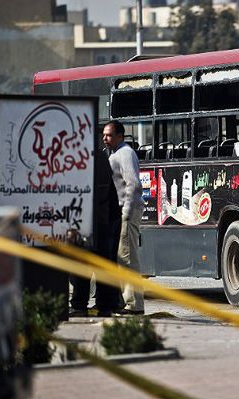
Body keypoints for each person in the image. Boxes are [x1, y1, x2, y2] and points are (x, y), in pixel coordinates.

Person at [69, 149, 123, 317]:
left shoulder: (82, 155)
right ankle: (103, 305)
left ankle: (81, 305)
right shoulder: (98, 156)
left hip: (89, 219)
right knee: (100, 264)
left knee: (83, 264)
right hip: (101, 219)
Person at [103, 120, 145, 315]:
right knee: (121, 256)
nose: (105, 138)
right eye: (104, 135)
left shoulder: (125, 153)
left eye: (109, 135)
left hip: (128, 210)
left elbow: (133, 184)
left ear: (120, 135)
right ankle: (123, 301)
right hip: (121, 211)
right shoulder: (115, 153)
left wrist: (126, 212)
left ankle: (134, 305)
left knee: (127, 258)